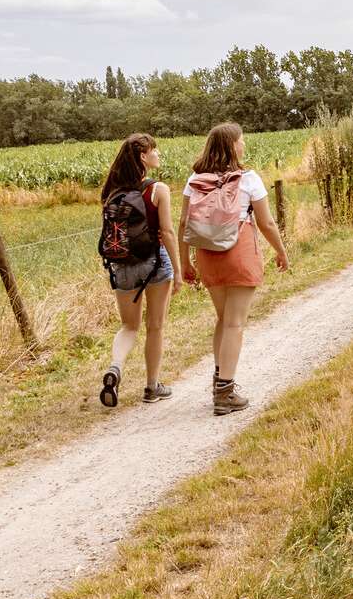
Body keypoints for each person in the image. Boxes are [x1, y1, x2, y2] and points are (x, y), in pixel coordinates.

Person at [178, 122, 289, 415]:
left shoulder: (194, 179)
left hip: (206, 253)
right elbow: (266, 223)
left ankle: (219, 381)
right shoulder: (248, 179)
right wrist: (281, 251)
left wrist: (185, 261)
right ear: (231, 146)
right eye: (241, 141)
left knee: (223, 319)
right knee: (234, 323)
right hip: (237, 251)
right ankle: (225, 393)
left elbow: (183, 224)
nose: (244, 145)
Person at [96, 133, 178, 407]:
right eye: (155, 150)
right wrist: (177, 269)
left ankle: (115, 367)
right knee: (155, 326)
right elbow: (166, 231)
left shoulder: (111, 192)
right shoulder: (158, 189)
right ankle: (152, 387)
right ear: (143, 156)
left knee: (129, 326)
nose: (158, 154)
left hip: (122, 265)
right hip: (154, 262)